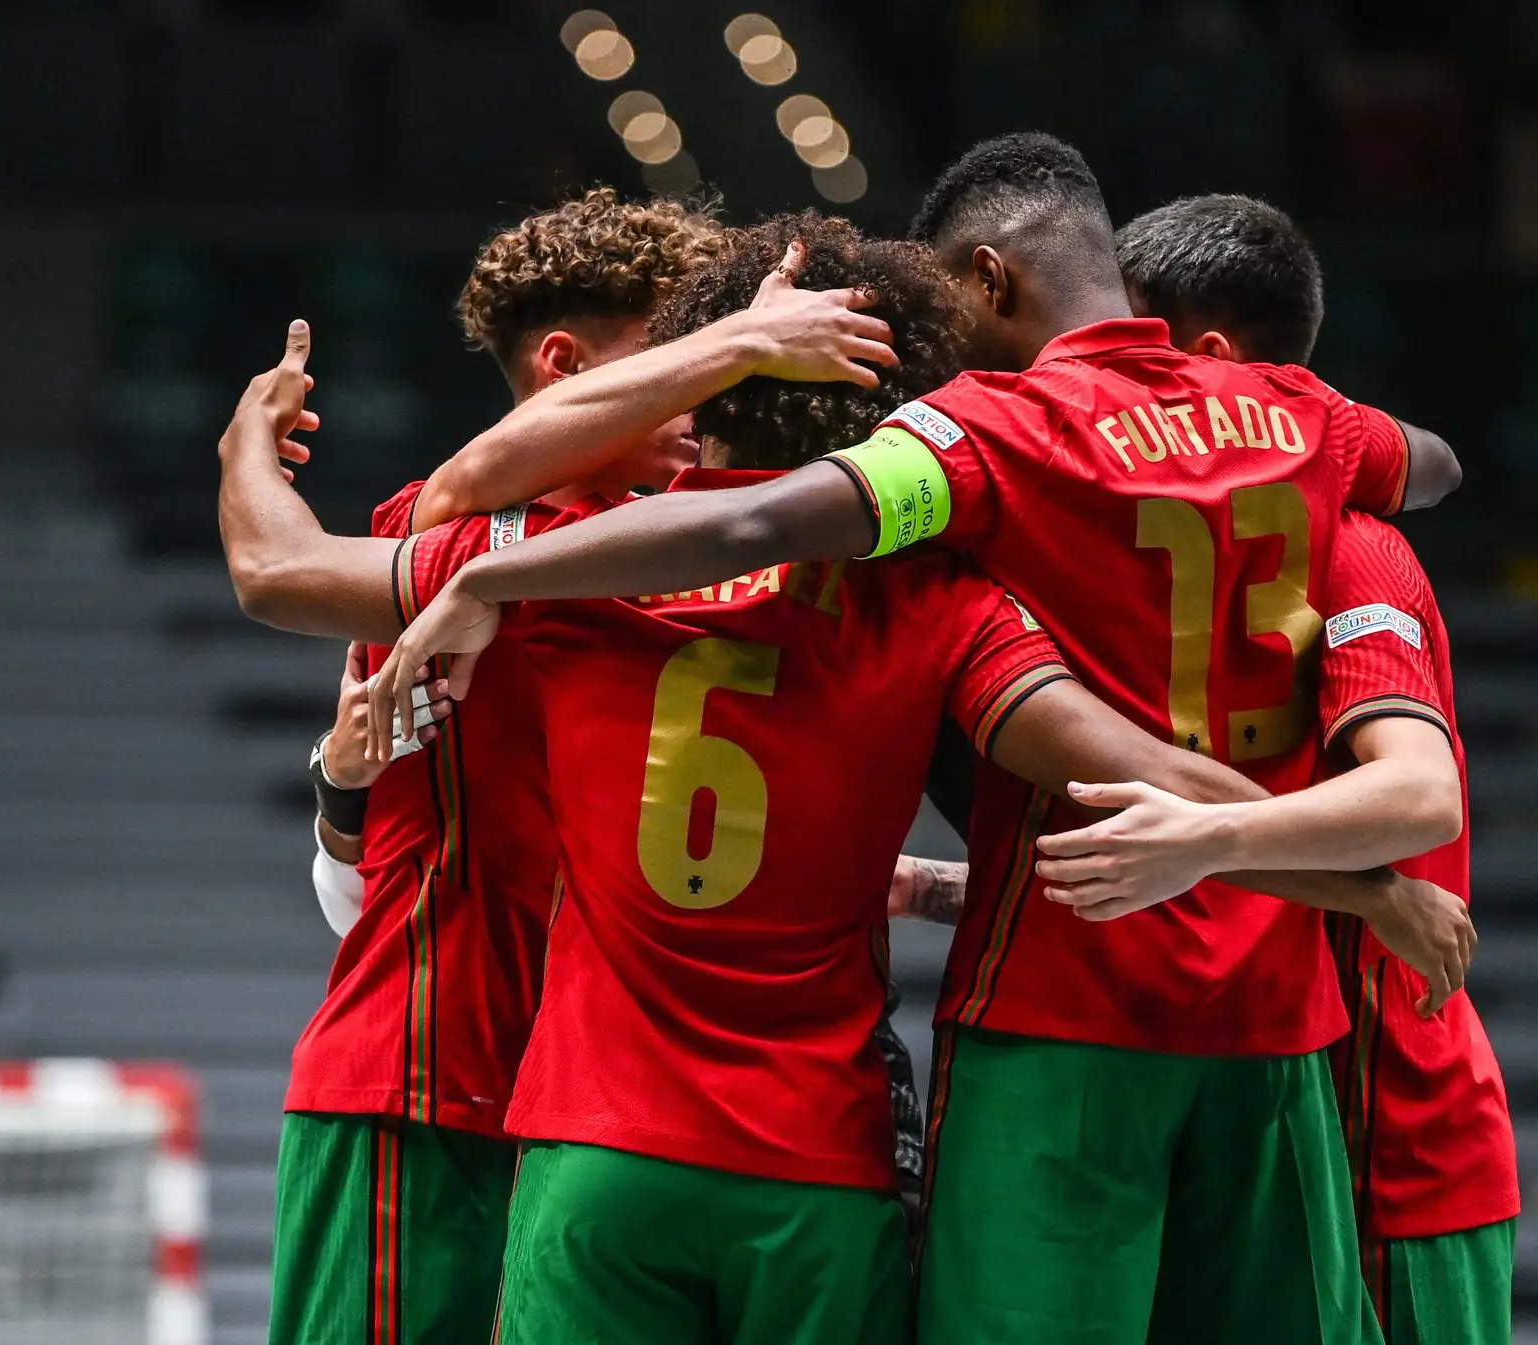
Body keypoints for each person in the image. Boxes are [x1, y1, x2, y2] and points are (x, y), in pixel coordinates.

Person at [370, 135, 1466, 1344]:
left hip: (1033, 1018)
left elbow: (762, 522)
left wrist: (497, 582)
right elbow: (1430, 469)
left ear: (989, 278)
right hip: (1260, 1018)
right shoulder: (1284, 413)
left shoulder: (978, 445)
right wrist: (1360, 891)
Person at [218, 189, 884, 1345]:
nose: (714, 391)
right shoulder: (470, 540)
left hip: (603, 1123)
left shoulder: (697, 543)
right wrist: (243, 446)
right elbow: (283, 575)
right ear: (567, 364)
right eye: (677, 356)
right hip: (430, 1094)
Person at [1031, 193, 1518, 1345]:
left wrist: (1212, 838)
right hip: (1255, 1120)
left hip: (1388, 1139)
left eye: (1130, 347)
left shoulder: (1349, 546)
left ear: (1208, 361)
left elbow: (1416, 796)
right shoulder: (1180, 574)